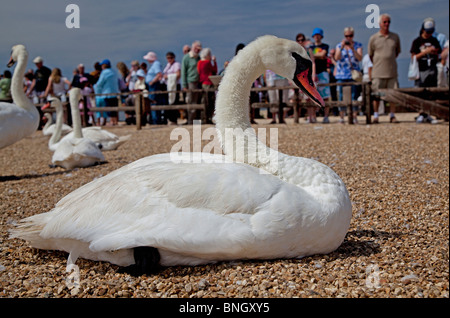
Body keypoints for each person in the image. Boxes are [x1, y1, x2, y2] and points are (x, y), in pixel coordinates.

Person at [368, 13, 401, 124]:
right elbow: (371, 55)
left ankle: (392, 115)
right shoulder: (374, 38)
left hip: (392, 71)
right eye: (384, 22)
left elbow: (397, 52)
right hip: (378, 72)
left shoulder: (395, 37)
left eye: (388, 22)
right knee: (376, 95)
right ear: (379, 24)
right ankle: (376, 115)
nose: (387, 24)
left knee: (393, 95)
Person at [334, 27, 363, 124]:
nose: (348, 38)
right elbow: (336, 57)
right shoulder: (339, 45)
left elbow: (359, 58)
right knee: (341, 96)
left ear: (353, 36)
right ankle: (342, 116)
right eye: (346, 36)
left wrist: (352, 49)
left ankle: (354, 116)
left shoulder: (358, 45)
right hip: (341, 75)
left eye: (350, 36)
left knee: (354, 96)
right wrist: (342, 47)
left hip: (353, 75)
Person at [410, 19, 442, 88]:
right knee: (420, 88)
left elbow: (440, 53)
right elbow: (413, 57)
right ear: (423, 30)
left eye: (431, 32)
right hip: (421, 70)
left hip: (433, 69)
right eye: (428, 32)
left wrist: (433, 51)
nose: (429, 34)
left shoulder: (434, 40)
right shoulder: (417, 41)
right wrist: (425, 52)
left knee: (433, 88)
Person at [310, 28, 331, 123]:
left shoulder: (325, 46)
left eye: (318, 35)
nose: (317, 37)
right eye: (315, 35)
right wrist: (318, 55)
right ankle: (313, 116)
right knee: (313, 96)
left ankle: (326, 116)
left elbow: (323, 54)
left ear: (321, 36)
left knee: (326, 95)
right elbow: (320, 55)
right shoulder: (310, 47)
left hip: (323, 73)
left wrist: (312, 55)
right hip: (313, 73)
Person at [296, 33, 317, 123]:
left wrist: (313, 75)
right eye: (298, 40)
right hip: (301, 77)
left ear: (304, 41)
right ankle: (310, 117)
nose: (300, 42)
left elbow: (313, 63)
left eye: (302, 40)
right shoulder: (295, 52)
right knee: (306, 98)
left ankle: (313, 116)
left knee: (312, 97)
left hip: (309, 76)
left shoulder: (309, 50)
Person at [181, 40, 202, 124]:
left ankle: (196, 121)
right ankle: (190, 121)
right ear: (192, 48)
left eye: (199, 49)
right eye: (196, 48)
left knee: (197, 101)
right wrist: (184, 84)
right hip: (191, 82)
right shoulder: (186, 58)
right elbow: (183, 71)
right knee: (191, 102)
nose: (197, 50)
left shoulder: (199, 58)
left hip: (198, 82)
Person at [93, 59, 119, 126]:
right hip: (115, 92)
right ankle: (115, 121)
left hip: (107, 93)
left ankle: (112, 121)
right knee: (114, 107)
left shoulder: (104, 72)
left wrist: (95, 87)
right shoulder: (114, 72)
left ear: (104, 65)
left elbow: (100, 83)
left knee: (109, 108)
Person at [197, 48, 217, 124]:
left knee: (204, 101)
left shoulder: (199, 63)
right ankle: (208, 117)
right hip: (208, 83)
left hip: (203, 84)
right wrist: (214, 61)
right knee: (210, 101)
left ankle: (204, 118)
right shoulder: (207, 62)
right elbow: (214, 70)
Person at [143, 51, 163, 124]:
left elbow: (159, 74)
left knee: (153, 102)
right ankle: (154, 119)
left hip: (153, 86)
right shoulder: (154, 64)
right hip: (151, 86)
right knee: (152, 102)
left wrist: (152, 82)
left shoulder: (156, 64)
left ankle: (155, 120)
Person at [162, 52, 181, 125]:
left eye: (170, 58)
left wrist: (168, 76)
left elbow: (178, 75)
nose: (169, 59)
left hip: (174, 86)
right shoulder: (168, 65)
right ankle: (169, 118)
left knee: (174, 101)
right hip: (168, 86)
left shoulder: (176, 65)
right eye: (168, 58)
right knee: (168, 102)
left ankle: (174, 119)